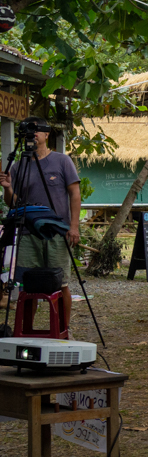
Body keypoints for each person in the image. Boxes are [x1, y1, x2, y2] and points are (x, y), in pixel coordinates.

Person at [1, 117, 81, 329]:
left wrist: (74, 227)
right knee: (28, 286)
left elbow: (74, 193)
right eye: (29, 130)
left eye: (38, 130)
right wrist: (8, 188)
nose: (33, 134)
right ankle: (26, 331)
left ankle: (64, 330)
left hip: (57, 231)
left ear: (47, 135)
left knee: (61, 283)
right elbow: (13, 203)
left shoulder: (62, 161)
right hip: (28, 233)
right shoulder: (19, 166)